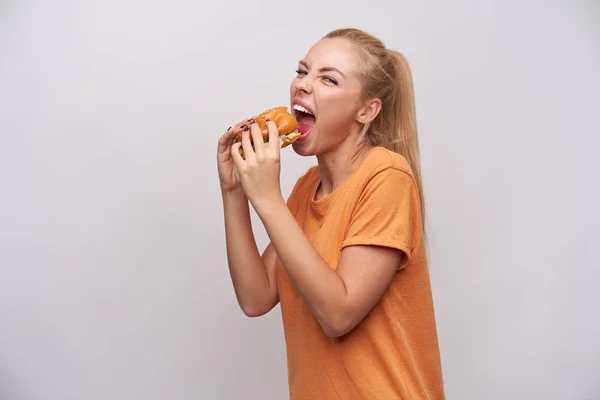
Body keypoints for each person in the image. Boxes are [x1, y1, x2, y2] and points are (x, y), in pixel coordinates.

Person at [217, 27, 444, 399]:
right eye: (302, 71)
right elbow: (255, 298)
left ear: (366, 110)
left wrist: (268, 198)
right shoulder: (308, 188)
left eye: (328, 79)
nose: (303, 85)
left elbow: (338, 314)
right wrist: (234, 193)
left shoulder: (387, 176)